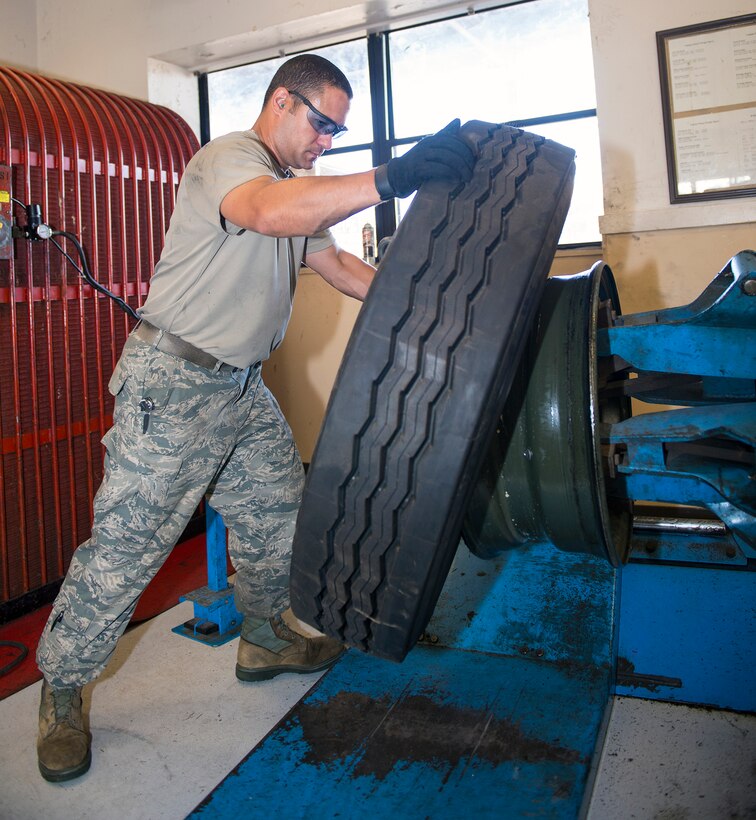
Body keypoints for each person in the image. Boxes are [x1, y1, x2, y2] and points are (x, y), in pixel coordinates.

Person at [34, 53, 476, 782]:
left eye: (339, 130)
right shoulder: (229, 161)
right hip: (172, 387)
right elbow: (267, 212)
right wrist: (394, 175)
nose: (328, 140)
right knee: (124, 551)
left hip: (239, 388)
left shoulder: (292, 190)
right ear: (280, 102)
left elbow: (337, 268)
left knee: (279, 519)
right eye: (323, 123)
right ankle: (63, 688)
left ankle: (266, 638)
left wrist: (431, 311)